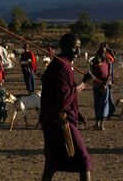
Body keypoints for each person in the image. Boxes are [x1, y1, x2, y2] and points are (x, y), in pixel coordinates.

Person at [39, 33, 93, 181]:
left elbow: (63, 95)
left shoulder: (63, 64)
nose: (78, 52)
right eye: (74, 47)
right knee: (84, 160)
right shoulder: (60, 66)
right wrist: (84, 83)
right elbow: (63, 98)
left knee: (52, 163)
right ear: (64, 47)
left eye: (79, 48)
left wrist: (77, 112)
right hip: (59, 123)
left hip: (55, 119)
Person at [90, 54, 110, 130]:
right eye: (95, 64)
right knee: (97, 105)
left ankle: (102, 124)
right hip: (96, 87)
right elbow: (90, 75)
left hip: (104, 87)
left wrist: (105, 84)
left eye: (97, 64)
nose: (96, 65)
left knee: (103, 105)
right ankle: (97, 123)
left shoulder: (107, 63)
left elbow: (108, 75)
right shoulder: (93, 66)